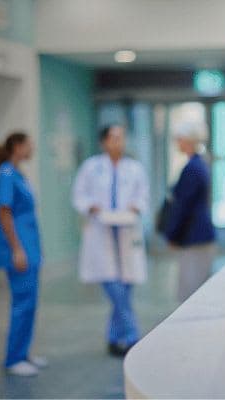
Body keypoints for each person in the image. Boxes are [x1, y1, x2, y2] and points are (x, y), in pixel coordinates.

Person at [72, 125, 149, 357]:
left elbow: (143, 195)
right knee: (116, 290)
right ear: (104, 142)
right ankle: (133, 336)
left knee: (125, 289)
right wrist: (91, 207)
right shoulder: (91, 167)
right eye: (114, 138)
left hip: (127, 232)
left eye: (121, 137)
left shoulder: (135, 168)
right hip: (101, 230)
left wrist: (137, 206)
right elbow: (79, 195)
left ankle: (114, 338)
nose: (119, 142)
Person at [0, 132, 48, 376]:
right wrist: (16, 249)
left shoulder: (17, 174)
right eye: (28, 144)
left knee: (30, 303)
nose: (32, 148)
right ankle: (13, 358)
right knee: (22, 303)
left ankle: (23, 353)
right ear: (17, 146)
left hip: (29, 247)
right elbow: (3, 212)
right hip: (19, 250)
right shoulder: (6, 174)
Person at [162, 122, 217, 302]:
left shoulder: (192, 168)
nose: (177, 144)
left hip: (194, 237)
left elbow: (183, 206)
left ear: (188, 141)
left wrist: (173, 235)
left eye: (179, 140)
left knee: (190, 293)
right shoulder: (199, 164)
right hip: (198, 236)